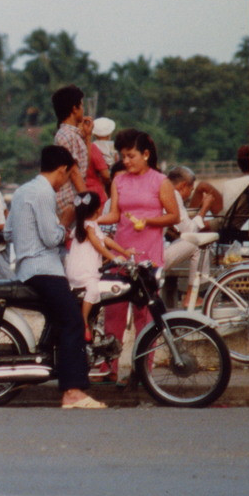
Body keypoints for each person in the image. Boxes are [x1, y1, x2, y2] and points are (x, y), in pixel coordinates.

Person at [4, 145, 106, 410]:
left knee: (60, 321)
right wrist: (67, 222)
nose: (66, 182)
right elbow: (51, 237)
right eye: (68, 175)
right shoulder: (43, 193)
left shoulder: (23, 191)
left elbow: (7, 233)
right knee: (73, 321)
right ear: (62, 170)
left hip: (27, 268)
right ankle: (72, 392)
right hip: (44, 268)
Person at [96, 129, 179, 380]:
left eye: (131, 156)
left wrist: (149, 220)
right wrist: (90, 221)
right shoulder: (119, 181)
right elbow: (114, 215)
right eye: (123, 156)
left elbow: (173, 216)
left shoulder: (160, 181)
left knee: (146, 314)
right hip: (121, 252)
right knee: (114, 310)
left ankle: (142, 369)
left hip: (149, 254)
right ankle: (108, 368)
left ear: (145, 154)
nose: (126, 161)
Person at [65, 191, 131, 334]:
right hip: (84, 271)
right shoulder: (88, 227)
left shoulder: (86, 225)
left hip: (76, 270)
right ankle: (84, 322)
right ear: (98, 209)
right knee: (93, 289)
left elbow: (106, 240)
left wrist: (124, 251)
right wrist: (114, 258)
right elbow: (98, 245)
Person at [162, 166, 215, 308]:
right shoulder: (174, 195)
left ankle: (191, 296)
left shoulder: (161, 190)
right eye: (191, 191)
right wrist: (204, 209)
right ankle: (192, 297)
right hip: (155, 256)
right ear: (183, 186)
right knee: (199, 244)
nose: (190, 195)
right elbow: (190, 231)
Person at [51, 85, 89, 223]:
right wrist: (87, 200)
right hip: (70, 201)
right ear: (74, 108)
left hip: (75, 198)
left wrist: (87, 136)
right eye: (82, 105)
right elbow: (74, 171)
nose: (83, 110)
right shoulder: (66, 136)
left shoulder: (73, 135)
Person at [81, 117, 110, 205]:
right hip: (96, 194)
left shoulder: (77, 147)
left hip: (81, 192)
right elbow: (106, 175)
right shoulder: (92, 148)